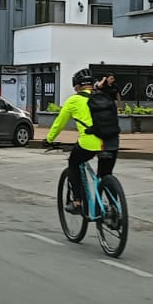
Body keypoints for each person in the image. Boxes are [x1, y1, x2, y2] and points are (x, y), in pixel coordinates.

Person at [47, 68, 119, 213]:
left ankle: (77, 202)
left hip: (89, 144)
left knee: (73, 162)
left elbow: (59, 123)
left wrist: (49, 139)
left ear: (77, 86)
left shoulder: (74, 100)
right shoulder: (104, 97)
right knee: (106, 174)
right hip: (111, 142)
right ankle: (114, 209)